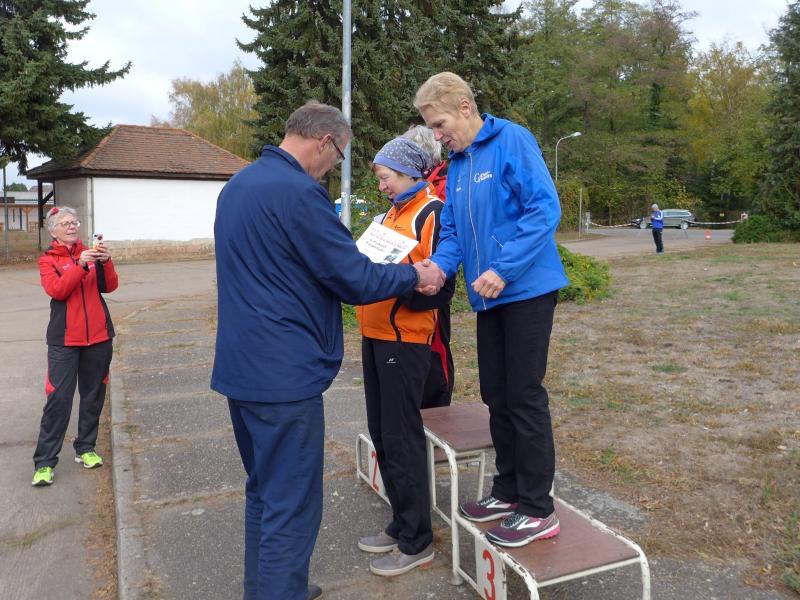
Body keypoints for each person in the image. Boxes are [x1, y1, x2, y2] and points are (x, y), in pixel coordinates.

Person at [211, 101, 444, 600]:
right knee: (291, 501)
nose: (333, 167)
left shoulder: (239, 185)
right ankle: (281, 592)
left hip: (240, 368)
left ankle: (272, 587)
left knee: (264, 491)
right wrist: (413, 275)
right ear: (324, 142)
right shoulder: (298, 193)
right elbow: (353, 277)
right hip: (283, 375)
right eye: (338, 157)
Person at [414, 72, 568, 548]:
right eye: (431, 128)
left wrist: (504, 268)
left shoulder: (512, 141)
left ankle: (538, 508)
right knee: (496, 395)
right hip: (490, 296)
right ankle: (508, 491)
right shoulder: (459, 164)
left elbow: (543, 209)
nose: (437, 136)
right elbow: (454, 232)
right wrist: (437, 268)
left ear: (464, 107)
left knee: (523, 394)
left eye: (439, 124)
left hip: (526, 288)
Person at [356, 137, 453, 576]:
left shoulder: (432, 212)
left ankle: (418, 541)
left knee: (402, 437)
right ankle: (400, 521)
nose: (381, 186)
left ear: (410, 173)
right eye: (379, 178)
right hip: (373, 333)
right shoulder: (390, 214)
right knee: (381, 432)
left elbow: (442, 287)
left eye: (386, 177)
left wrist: (396, 280)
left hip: (405, 340)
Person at [33, 206, 117, 486]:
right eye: (65, 223)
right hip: (65, 341)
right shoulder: (48, 260)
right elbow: (57, 290)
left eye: (75, 222)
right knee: (59, 399)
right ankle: (45, 462)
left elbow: (110, 286)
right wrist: (79, 266)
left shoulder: (89, 253)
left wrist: (105, 261)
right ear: (53, 230)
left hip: (99, 338)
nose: (72, 226)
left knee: (93, 396)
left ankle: (86, 448)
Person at [402, 125, 454, 408]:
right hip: (410, 281)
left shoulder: (441, 188)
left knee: (435, 357)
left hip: (433, 281)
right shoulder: (413, 189)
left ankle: (436, 413)